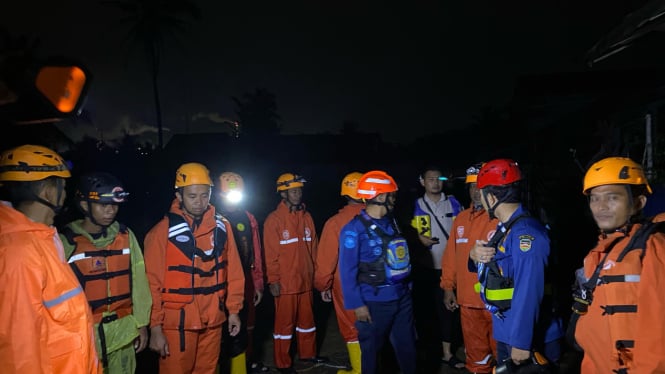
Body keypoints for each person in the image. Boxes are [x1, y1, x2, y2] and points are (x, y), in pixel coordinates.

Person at [0, 144, 101, 373]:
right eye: (62, 186)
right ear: (47, 190)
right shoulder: (18, 252)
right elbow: (18, 351)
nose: (64, 194)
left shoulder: (41, 239)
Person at [143, 162, 245, 374]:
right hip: (176, 325)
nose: (199, 202)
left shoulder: (222, 227)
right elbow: (151, 283)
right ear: (179, 196)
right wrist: (154, 327)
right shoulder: (160, 233)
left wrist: (234, 310)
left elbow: (234, 272)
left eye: (204, 195)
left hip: (213, 321)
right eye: (192, 196)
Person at [572, 156, 665, 372]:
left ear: (638, 203)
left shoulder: (652, 247)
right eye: (594, 198)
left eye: (612, 197)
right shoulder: (603, 249)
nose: (601, 206)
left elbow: (659, 334)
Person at [469, 158, 560, 366]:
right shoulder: (506, 228)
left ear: (491, 198)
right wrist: (474, 256)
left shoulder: (525, 234)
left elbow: (529, 290)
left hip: (529, 337)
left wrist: (521, 342)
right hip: (507, 328)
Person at [60, 172, 152, 374]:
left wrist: (142, 324)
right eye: (104, 205)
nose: (111, 211)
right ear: (85, 205)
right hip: (84, 335)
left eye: (115, 205)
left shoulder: (125, 236)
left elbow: (139, 282)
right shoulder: (66, 242)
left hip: (124, 332)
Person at [339, 170, 417, 374]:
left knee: (407, 350)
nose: (395, 199)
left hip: (401, 298)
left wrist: (407, 287)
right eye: (392, 195)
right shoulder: (353, 229)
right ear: (381, 196)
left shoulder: (394, 222)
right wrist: (357, 305)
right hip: (374, 302)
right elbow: (347, 271)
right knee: (372, 354)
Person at [263, 172, 326, 374]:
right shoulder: (274, 220)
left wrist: (318, 277)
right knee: (284, 327)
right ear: (283, 194)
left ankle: (307, 354)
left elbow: (314, 250)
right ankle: (283, 362)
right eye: (293, 191)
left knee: (308, 322)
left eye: (299, 190)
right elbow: (270, 254)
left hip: (305, 281)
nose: (298, 194)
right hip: (286, 284)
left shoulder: (307, 217)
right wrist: (273, 280)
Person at [441, 163, 498, 373]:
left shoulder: (501, 218)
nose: (475, 191)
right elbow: (451, 256)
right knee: (476, 357)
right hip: (467, 302)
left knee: (502, 355)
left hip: (496, 303)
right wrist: (448, 287)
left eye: (480, 185)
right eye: (471, 187)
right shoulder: (461, 219)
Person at [411, 165, 464, 369]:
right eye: (430, 179)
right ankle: (428, 347)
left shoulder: (453, 203)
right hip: (425, 268)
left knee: (449, 311)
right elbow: (403, 233)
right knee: (426, 311)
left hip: (449, 268)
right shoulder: (415, 205)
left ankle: (447, 353)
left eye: (438, 178)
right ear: (422, 182)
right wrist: (417, 239)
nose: (435, 182)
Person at [216, 171, 268, 374]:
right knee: (219, 329)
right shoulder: (212, 218)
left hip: (245, 278)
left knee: (247, 326)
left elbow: (255, 251)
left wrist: (258, 283)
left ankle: (244, 365)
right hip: (219, 281)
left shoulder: (248, 218)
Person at [314, 171, 365, 374]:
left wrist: (323, 285)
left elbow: (326, 262)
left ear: (345, 194)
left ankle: (361, 370)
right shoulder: (381, 216)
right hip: (378, 284)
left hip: (346, 285)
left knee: (352, 328)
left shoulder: (335, 223)